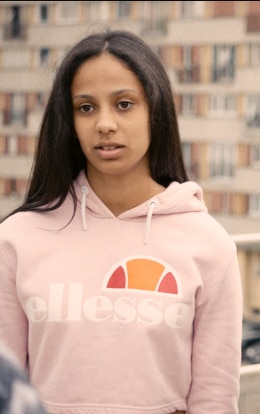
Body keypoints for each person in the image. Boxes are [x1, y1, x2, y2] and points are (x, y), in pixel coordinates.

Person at [0, 30, 243, 413]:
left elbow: (215, 397)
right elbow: (5, 385)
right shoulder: (17, 239)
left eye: (125, 104)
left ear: (156, 110)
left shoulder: (208, 244)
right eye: (86, 107)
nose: (105, 123)